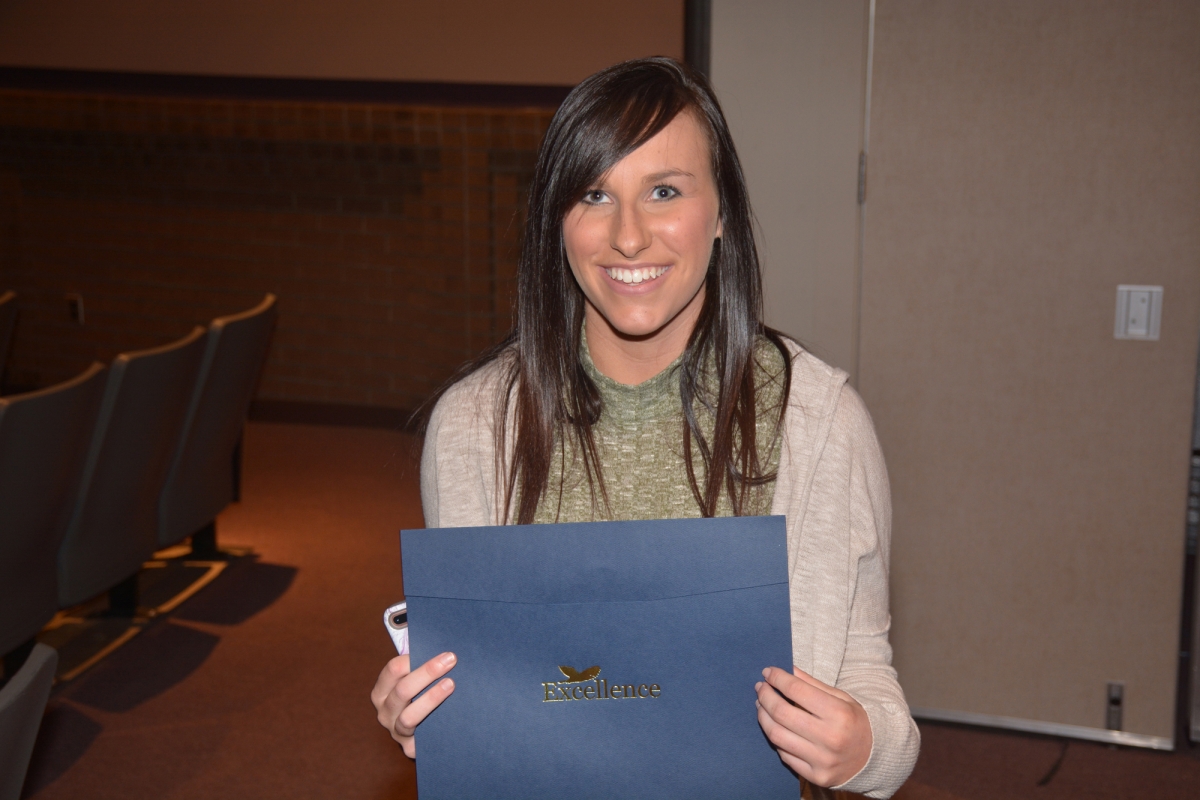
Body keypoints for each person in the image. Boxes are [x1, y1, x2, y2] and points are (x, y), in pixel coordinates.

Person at [371, 56, 919, 798]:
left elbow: (873, 689)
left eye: (664, 191)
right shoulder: (476, 425)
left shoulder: (818, 422)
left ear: (720, 212)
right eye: (594, 194)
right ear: (555, 220)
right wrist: (424, 714)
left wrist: (863, 750)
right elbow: (477, 678)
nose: (628, 236)